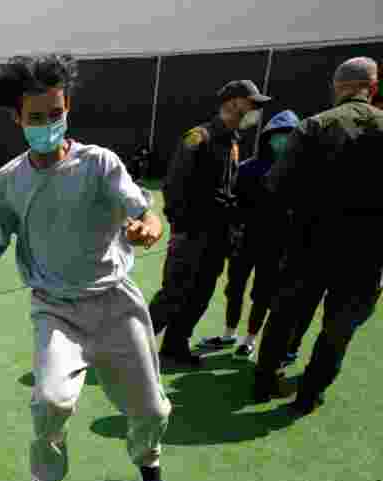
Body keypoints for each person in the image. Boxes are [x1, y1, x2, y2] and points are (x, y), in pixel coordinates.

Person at [0, 54, 171, 481]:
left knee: (150, 406)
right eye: (37, 117)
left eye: (57, 113)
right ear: (17, 118)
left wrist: (148, 227)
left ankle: (148, 459)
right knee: (50, 401)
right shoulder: (7, 181)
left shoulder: (99, 163)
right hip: (55, 309)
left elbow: (149, 213)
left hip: (114, 302)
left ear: (67, 108)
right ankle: (46, 478)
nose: (49, 124)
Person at [252, 57, 382, 414]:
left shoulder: (315, 126)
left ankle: (264, 381)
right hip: (367, 254)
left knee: (285, 314)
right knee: (339, 328)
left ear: (338, 88)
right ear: (373, 87)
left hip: (309, 243)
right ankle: (309, 393)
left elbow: (275, 186)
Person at [147, 79, 271, 368]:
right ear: (232, 103)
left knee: (200, 296)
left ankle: (174, 347)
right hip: (193, 235)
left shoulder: (233, 141)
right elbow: (174, 187)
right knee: (173, 295)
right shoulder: (199, 137)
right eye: (251, 104)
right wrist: (186, 228)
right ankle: (127, 348)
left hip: (218, 237)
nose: (254, 110)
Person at [197, 110, 302, 358]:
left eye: (289, 136)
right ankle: (229, 334)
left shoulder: (299, 172)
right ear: (267, 137)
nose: (282, 140)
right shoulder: (247, 168)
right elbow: (233, 203)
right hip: (245, 241)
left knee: (263, 294)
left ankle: (250, 339)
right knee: (234, 288)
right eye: (277, 135)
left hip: (277, 246)